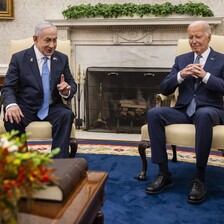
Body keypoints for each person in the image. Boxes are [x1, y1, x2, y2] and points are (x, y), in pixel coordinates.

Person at [146, 20, 224, 204]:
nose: (194, 40)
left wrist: (206, 76)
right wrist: (181, 75)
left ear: (209, 37)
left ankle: (199, 178)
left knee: (203, 115)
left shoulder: (221, 59)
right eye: (190, 37)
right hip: (183, 111)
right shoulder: (182, 60)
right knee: (153, 114)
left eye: (198, 36)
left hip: (210, 110)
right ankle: (164, 173)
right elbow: (164, 88)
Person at [1, 21, 77, 158]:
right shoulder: (19, 58)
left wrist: (66, 90)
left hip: (52, 106)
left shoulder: (61, 58)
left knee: (66, 115)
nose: (52, 45)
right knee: (11, 117)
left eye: (55, 40)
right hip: (26, 106)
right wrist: (11, 105)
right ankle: (22, 162)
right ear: (35, 39)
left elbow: (71, 83)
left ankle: (60, 164)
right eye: (47, 40)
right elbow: (8, 87)